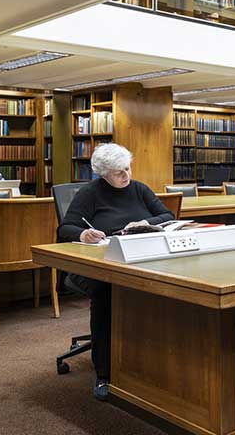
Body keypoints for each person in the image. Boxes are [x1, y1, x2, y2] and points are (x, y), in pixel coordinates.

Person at [57, 143, 173, 401]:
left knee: (167, 285)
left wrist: (146, 222)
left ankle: (151, 360)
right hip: (95, 264)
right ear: (104, 173)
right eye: (119, 172)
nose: (127, 175)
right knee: (106, 291)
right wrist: (83, 234)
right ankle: (104, 373)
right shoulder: (90, 193)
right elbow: (66, 228)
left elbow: (167, 214)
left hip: (137, 259)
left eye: (128, 168)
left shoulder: (139, 188)